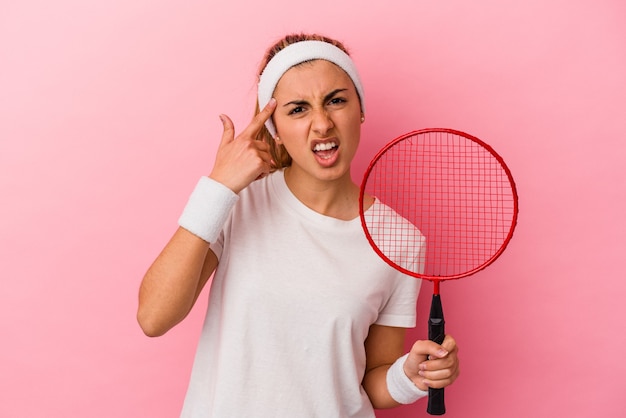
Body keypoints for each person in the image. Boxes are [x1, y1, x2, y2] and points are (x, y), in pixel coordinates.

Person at [137, 33, 460, 417]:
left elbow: (367, 381)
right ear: (274, 127)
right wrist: (218, 188)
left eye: (336, 101)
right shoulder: (237, 203)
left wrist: (410, 377)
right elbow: (153, 317)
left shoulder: (401, 240)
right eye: (297, 109)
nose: (322, 124)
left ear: (360, 109)